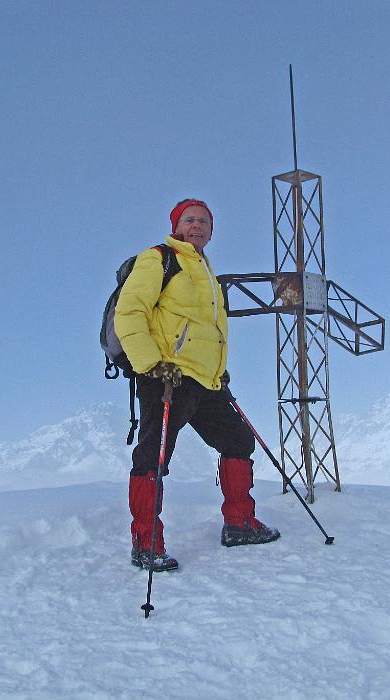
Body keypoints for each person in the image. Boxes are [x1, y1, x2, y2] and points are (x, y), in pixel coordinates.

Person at [114, 198, 280, 572]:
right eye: (189, 219)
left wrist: (218, 370)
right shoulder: (158, 259)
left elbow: (210, 332)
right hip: (165, 378)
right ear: (176, 225)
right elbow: (130, 313)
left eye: (204, 221)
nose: (197, 225)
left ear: (212, 230)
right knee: (153, 458)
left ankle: (239, 523)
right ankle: (146, 543)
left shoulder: (206, 272)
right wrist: (151, 364)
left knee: (238, 441)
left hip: (205, 381)